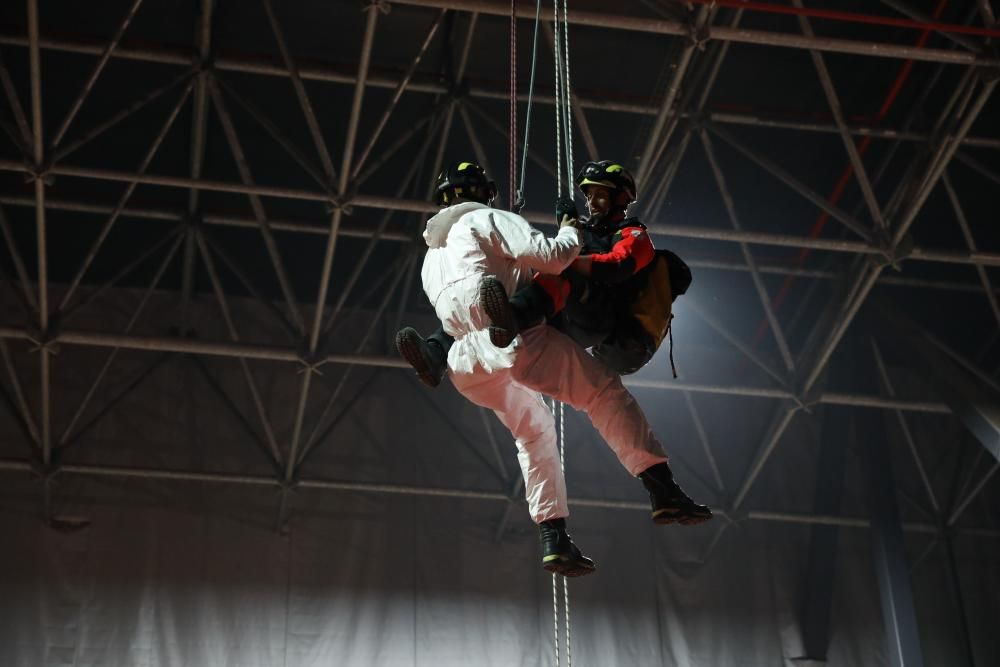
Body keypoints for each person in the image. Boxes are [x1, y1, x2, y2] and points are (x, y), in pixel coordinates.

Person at [404, 160, 711, 577]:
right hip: (514, 341)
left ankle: (553, 536)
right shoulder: (492, 218)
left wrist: (572, 258)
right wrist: (569, 229)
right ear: (485, 192)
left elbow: (618, 264)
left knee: (533, 431)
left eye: (603, 193)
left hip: (470, 364)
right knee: (602, 393)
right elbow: (552, 255)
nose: (595, 201)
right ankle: (663, 490)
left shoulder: (431, 257)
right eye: (592, 194)